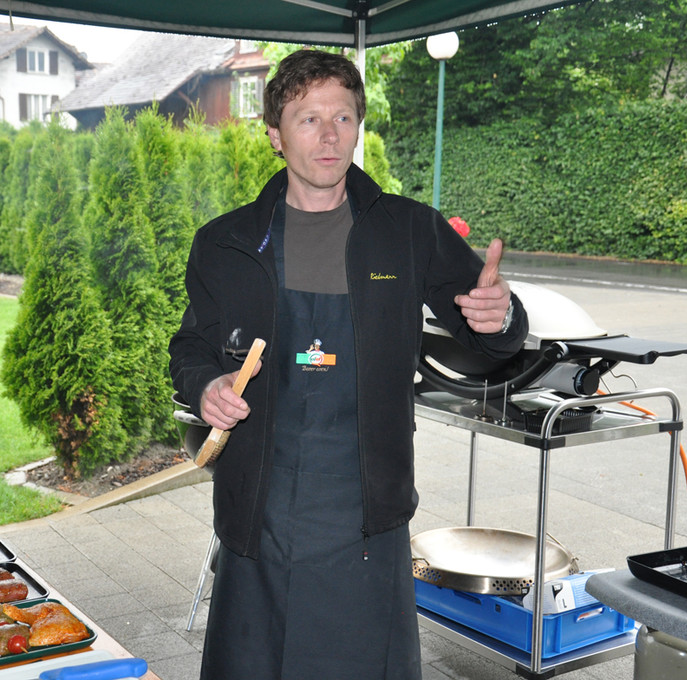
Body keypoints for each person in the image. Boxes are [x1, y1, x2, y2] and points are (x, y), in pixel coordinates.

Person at [168, 49, 528, 680]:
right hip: (258, 513)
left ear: (359, 126)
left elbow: (493, 339)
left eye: (342, 117)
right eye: (308, 119)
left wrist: (499, 317)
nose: (329, 135)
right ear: (276, 135)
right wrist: (207, 386)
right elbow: (190, 347)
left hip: (367, 514)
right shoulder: (226, 243)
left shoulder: (409, 231)